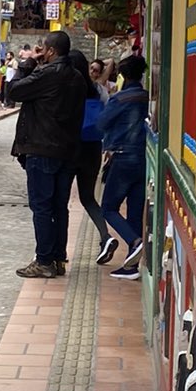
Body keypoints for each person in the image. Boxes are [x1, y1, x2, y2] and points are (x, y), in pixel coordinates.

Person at [1, 32, 85, 278]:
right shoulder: (77, 77)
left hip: (42, 147)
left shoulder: (47, 74)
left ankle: (44, 260)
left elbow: (13, 91)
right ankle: (58, 257)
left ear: (49, 51)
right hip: (68, 150)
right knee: (59, 207)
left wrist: (27, 62)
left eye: (43, 49)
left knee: (42, 207)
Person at [99, 54, 149, 277]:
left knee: (109, 208)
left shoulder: (120, 99)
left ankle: (134, 241)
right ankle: (131, 266)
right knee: (135, 212)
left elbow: (102, 123)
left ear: (121, 75)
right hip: (144, 158)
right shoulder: (148, 97)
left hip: (122, 156)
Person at [67, 49, 113, 259]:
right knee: (88, 198)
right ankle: (106, 236)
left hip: (69, 147)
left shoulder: (65, 88)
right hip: (93, 147)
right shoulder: (98, 90)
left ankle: (57, 248)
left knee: (61, 200)